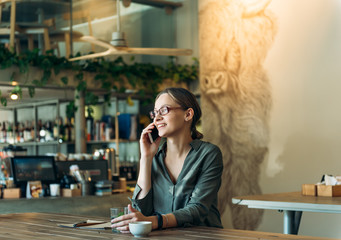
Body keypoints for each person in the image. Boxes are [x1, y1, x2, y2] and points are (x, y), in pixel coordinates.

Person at [111, 87, 223, 233]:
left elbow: (198, 208)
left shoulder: (208, 154)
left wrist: (155, 221)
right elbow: (141, 210)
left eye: (164, 110)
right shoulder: (154, 157)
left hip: (203, 236)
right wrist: (146, 157)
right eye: (155, 113)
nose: (156, 118)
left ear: (188, 114)